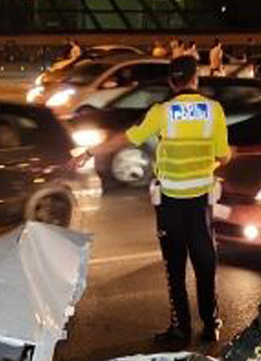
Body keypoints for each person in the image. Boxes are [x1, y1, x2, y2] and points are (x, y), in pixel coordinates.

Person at [75, 56, 231, 345]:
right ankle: (211, 325)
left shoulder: (162, 112)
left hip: (170, 203)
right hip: (200, 203)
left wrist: (89, 152)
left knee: (175, 268)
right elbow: (223, 155)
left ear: (172, 82)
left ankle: (180, 329)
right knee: (205, 264)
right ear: (195, 79)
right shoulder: (214, 111)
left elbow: (126, 138)